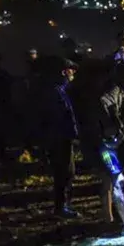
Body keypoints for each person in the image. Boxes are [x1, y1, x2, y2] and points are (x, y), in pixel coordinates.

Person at [89, 62, 124, 234]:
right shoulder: (110, 93)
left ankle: (115, 218)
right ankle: (122, 221)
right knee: (116, 180)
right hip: (108, 145)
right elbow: (112, 118)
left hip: (111, 143)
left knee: (116, 180)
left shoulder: (118, 91)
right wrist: (118, 122)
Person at [34, 56, 81, 217]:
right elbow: (62, 116)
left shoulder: (59, 89)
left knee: (67, 171)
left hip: (60, 137)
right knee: (64, 172)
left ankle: (64, 205)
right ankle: (61, 207)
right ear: (63, 72)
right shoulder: (55, 91)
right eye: (71, 70)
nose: (73, 73)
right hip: (59, 138)